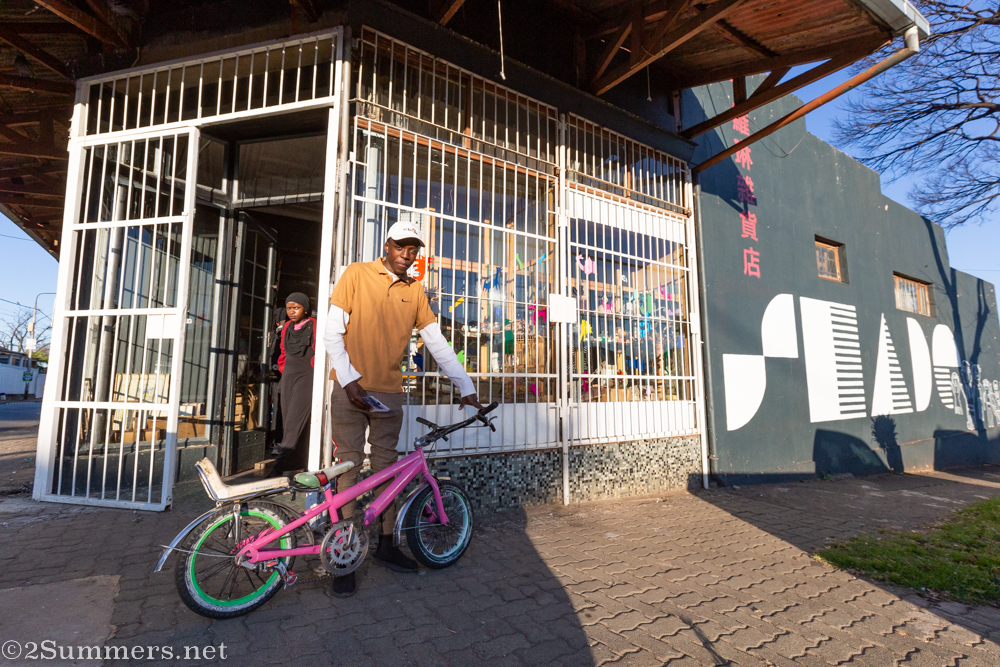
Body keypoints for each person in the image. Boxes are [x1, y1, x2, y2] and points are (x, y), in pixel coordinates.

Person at [324, 220, 483, 598]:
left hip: (388, 395)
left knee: (386, 471)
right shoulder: (357, 274)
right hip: (349, 391)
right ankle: (343, 555)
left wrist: (466, 386)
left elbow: (437, 342)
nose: (407, 255)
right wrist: (348, 380)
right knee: (347, 468)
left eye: (414, 249)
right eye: (401, 247)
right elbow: (332, 332)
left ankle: (384, 545)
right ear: (388, 244)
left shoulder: (415, 291)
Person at [271, 292, 316, 477]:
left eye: (296, 307)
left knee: (295, 419)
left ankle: (280, 465)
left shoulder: (314, 324)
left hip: (306, 375)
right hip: (288, 375)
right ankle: (298, 462)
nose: (291, 311)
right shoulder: (287, 326)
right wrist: (284, 371)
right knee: (288, 417)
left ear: (305, 309)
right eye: (289, 308)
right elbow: (282, 352)